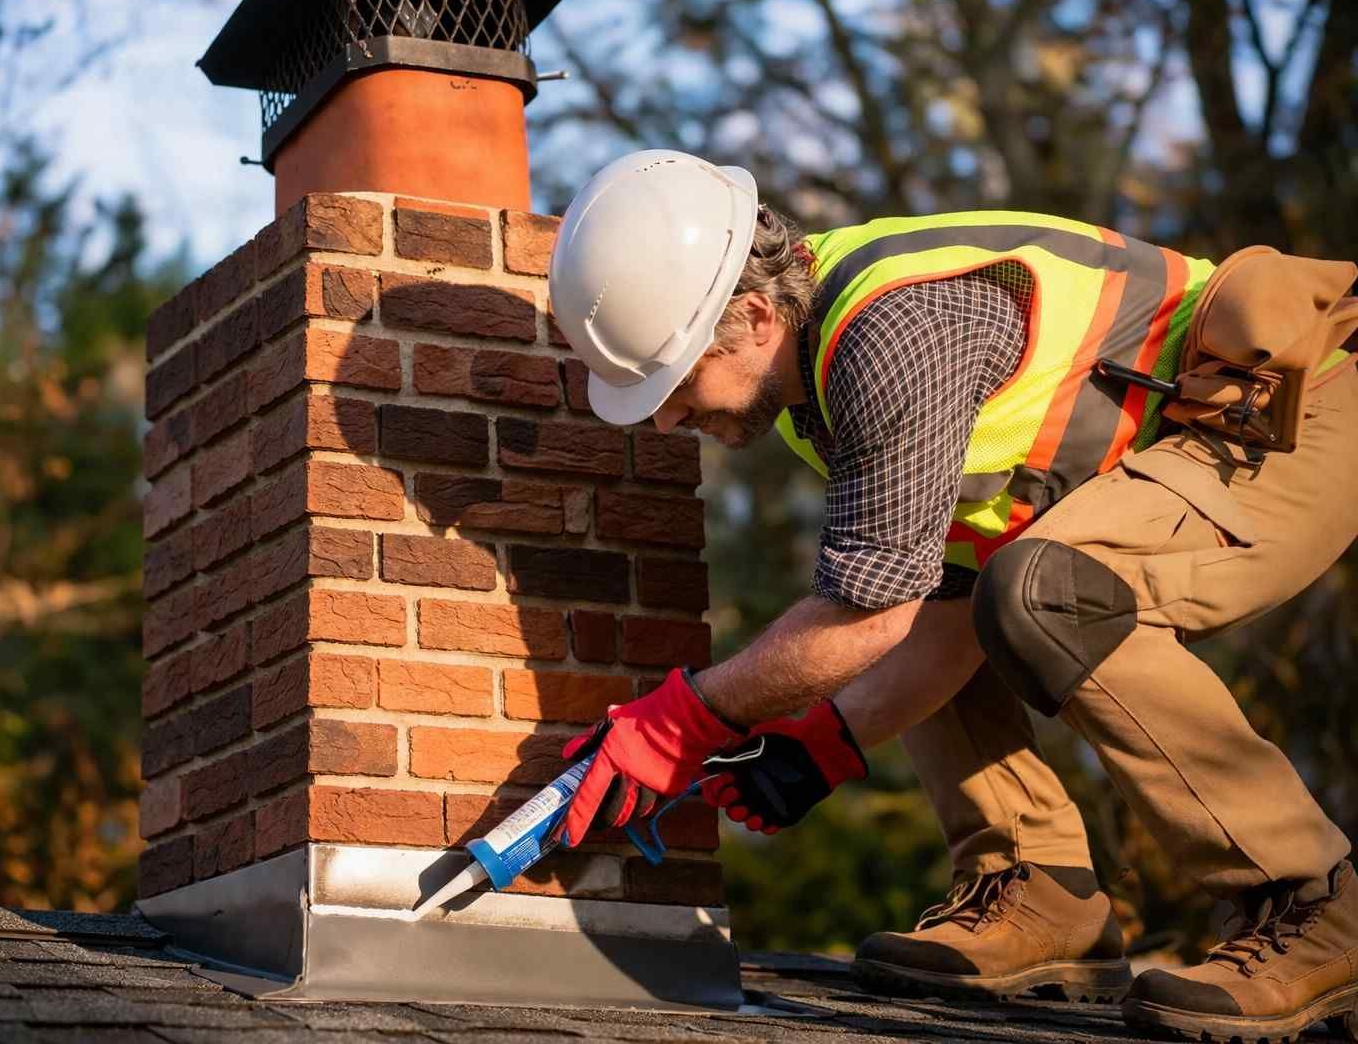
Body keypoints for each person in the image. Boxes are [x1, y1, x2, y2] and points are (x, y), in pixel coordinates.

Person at [547, 149, 1358, 1042]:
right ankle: (1038, 892)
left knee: (1041, 591)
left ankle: (1312, 903)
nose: (666, 419)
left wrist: (681, 722)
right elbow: (930, 602)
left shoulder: (893, 335)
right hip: (1179, 453)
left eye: (676, 381)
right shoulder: (815, 387)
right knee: (965, 576)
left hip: (1290, 413)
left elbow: (872, 611)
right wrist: (821, 741)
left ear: (752, 315)